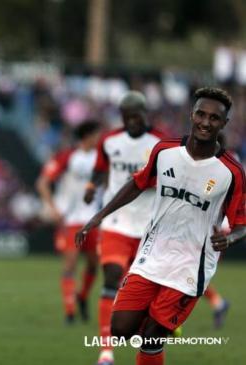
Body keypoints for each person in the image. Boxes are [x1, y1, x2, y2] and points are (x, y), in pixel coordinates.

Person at [76, 87, 246, 365]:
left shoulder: (231, 172)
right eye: (201, 114)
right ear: (191, 115)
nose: (205, 122)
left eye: (214, 118)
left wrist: (232, 238)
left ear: (224, 124)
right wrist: (98, 217)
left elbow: (242, 223)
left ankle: (161, 324)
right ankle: (163, 321)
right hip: (152, 255)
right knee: (119, 330)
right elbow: (137, 183)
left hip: (190, 265)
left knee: (152, 339)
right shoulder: (165, 150)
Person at [82, 91, 165, 365]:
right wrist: (92, 186)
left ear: (145, 114)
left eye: (136, 116)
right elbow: (100, 169)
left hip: (148, 227)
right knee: (111, 277)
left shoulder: (161, 143)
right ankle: (106, 352)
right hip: (117, 222)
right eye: (126, 116)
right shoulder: (109, 141)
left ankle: (148, 337)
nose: (131, 121)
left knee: (140, 295)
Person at [35, 120, 102, 325]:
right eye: (96, 134)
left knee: (93, 265)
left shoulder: (102, 158)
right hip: (71, 219)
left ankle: (82, 296)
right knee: (70, 264)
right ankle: (70, 312)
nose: (99, 138)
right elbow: (43, 182)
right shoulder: (68, 156)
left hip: (93, 219)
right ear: (87, 135)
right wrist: (54, 208)